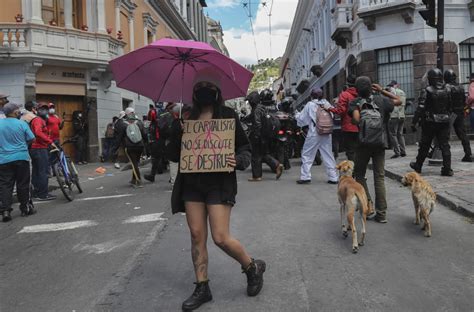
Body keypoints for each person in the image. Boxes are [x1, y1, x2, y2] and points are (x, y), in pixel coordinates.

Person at [166, 72, 265, 311]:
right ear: (194, 91)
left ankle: (252, 267)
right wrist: (176, 132)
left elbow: (245, 148)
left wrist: (238, 160)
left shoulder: (229, 116)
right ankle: (202, 286)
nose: (205, 90)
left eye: (210, 86)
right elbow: (171, 155)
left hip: (219, 183)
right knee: (196, 235)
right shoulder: (186, 118)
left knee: (220, 237)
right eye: (200, 86)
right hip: (192, 185)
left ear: (218, 91)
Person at [349, 76, 402, 223]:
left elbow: (356, 120)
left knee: (359, 174)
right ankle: (382, 214)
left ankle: (368, 205)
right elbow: (399, 100)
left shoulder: (355, 102)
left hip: (363, 143)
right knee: (379, 177)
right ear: (371, 87)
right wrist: (382, 91)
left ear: (357, 89)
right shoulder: (381, 100)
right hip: (380, 142)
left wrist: (357, 114)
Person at [410, 68, 453, 176]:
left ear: (430, 79)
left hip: (430, 122)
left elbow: (420, 107)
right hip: (444, 121)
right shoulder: (448, 89)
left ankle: (418, 166)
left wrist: (414, 122)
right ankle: (447, 169)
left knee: (425, 145)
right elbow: (450, 106)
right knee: (445, 145)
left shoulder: (427, 90)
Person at [0, 103, 37, 222]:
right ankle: (25, 208)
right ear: (14, 112)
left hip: (4, 159)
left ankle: (5, 211)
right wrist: (24, 144)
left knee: (5, 185)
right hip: (21, 157)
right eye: (17, 110)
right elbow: (32, 138)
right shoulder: (22, 123)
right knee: (23, 183)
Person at [296, 88, 338, 184]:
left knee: (307, 154)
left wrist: (297, 115)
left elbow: (302, 120)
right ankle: (333, 177)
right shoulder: (327, 104)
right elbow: (332, 116)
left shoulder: (310, 105)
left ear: (312, 96)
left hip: (314, 132)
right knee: (328, 154)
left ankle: (305, 176)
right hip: (326, 132)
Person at [247, 91, 283, 181]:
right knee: (263, 154)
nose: (249, 103)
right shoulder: (262, 107)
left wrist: (255, 136)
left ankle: (257, 176)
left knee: (255, 155)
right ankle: (277, 165)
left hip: (259, 136)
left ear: (253, 101)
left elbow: (257, 124)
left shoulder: (256, 110)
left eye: (249, 101)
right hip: (265, 136)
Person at [30, 102, 57, 201]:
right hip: (39, 148)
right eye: (42, 109)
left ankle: (37, 192)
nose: (44, 110)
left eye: (46, 109)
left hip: (36, 149)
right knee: (43, 171)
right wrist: (50, 142)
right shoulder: (38, 120)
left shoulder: (40, 120)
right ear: (36, 110)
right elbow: (38, 132)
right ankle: (43, 194)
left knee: (37, 171)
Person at [329, 74, 359, 161]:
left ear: (347, 83)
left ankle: (353, 172)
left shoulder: (345, 95)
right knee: (359, 149)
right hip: (362, 125)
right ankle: (360, 171)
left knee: (350, 150)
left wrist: (330, 109)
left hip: (348, 126)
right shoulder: (360, 93)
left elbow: (340, 111)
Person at [444, 70, 472, 162]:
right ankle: (468, 154)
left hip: (450, 113)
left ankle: (445, 157)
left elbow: (446, 101)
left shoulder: (446, 87)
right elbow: (464, 100)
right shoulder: (460, 87)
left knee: (445, 134)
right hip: (459, 112)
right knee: (462, 133)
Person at [117, 107, 147, 188]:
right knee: (135, 163)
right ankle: (133, 179)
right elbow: (145, 134)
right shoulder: (139, 122)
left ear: (126, 114)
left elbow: (120, 137)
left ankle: (138, 180)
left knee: (134, 164)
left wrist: (116, 147)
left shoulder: (124, 124)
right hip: (140, 146)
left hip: (130, 147)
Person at [387, 81, 407, 159]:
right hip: (402, 115)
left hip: (394, 115)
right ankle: (403, 151)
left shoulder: (391, 92)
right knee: (400, 134)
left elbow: (390, 104)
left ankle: (397, 152)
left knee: (393, 134)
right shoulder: (402, 92)